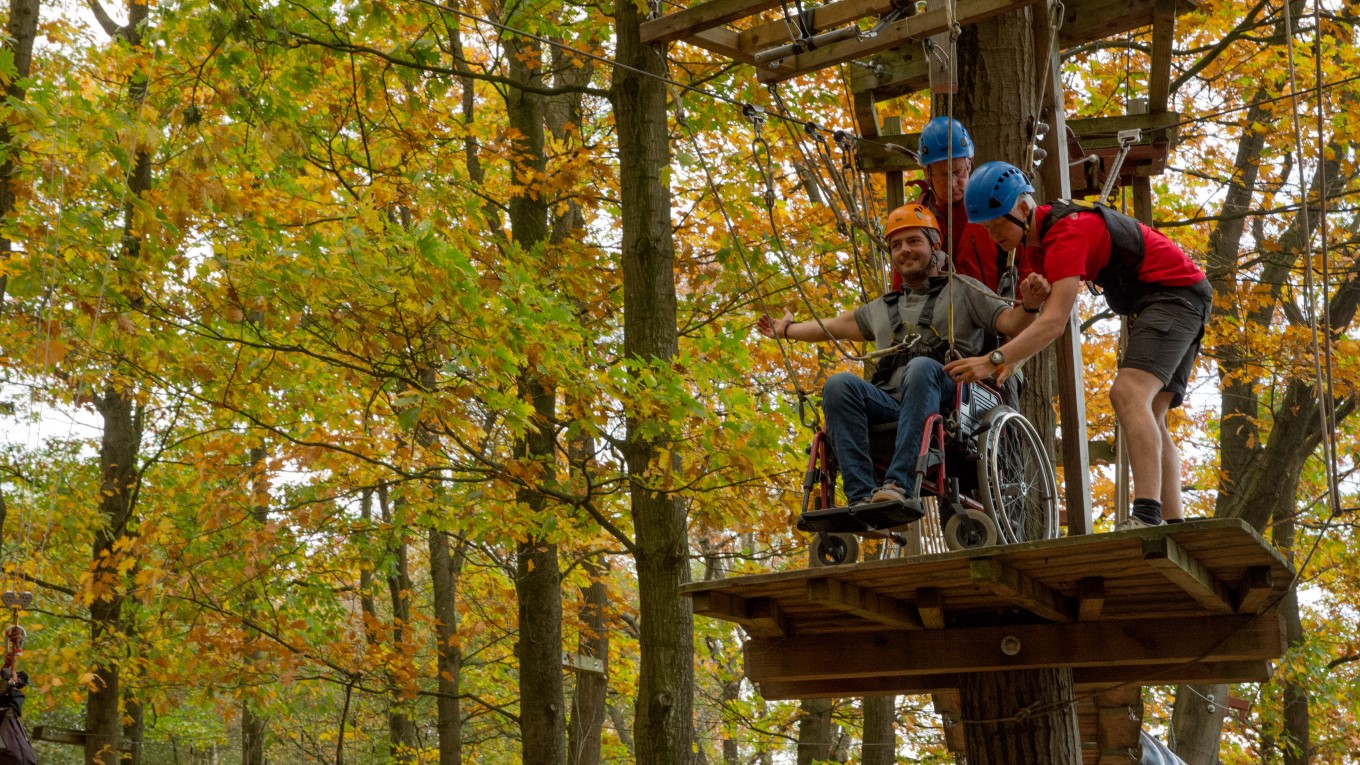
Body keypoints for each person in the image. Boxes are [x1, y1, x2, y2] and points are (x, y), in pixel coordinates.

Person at [947, 161, 1212, 529]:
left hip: (1173, 298)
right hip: (1178, 298)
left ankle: (1147, 515)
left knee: (1128, 392)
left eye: (996, 225)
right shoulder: (1036, 246)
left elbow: (1055, 322)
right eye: (987, 229)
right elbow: (1029, 317)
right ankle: (1173, 520)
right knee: (1152, 410)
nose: (994, 237)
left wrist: (992, 360)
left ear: (1023, 209)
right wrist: (1017, 342)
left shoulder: (1067, 232)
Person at [759, 203, 1050, 511]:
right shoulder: (882, 308)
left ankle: (899, 484)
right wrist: (787, 330)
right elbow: (832, 327)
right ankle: (861, 497)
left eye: (914, 241)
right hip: (894, 405)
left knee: (922, 367)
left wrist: (1030, 306)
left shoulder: (964, 291)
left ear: (934, 245)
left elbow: (1011, 323)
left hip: (951, 402)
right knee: (839, 385)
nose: (904, 250)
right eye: (896, 245)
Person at [914, 116, 1014, 294]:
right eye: (943, 175)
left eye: (958, 172)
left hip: (994, 309)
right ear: (927, 173)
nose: (952, 183)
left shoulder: (994, 205)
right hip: (937, 315)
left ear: (970, 163)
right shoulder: (916, 218)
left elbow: (1025, 255)